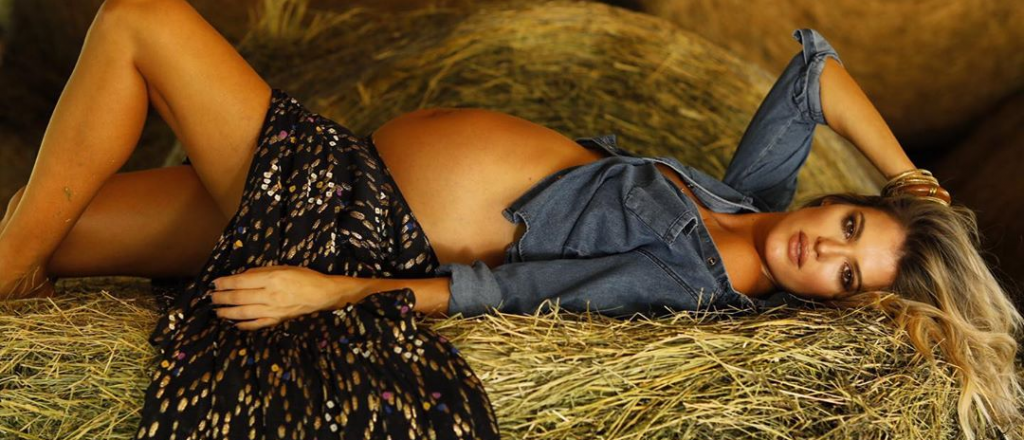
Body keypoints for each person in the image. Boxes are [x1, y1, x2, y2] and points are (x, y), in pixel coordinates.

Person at [0, 0, 1018, 439]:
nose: (826, 248)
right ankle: (22, 260)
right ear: (839, 202)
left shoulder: (693, 279)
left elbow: (511, 288)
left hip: (345, 213)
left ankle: (13, 271)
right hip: (338, 176)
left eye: (847, 274)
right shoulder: (744, 201)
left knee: (141, 18)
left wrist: (331, 291)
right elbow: (815, 75)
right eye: (851, 229)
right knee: (63, 223)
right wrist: (910, 181)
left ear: (835, 302)